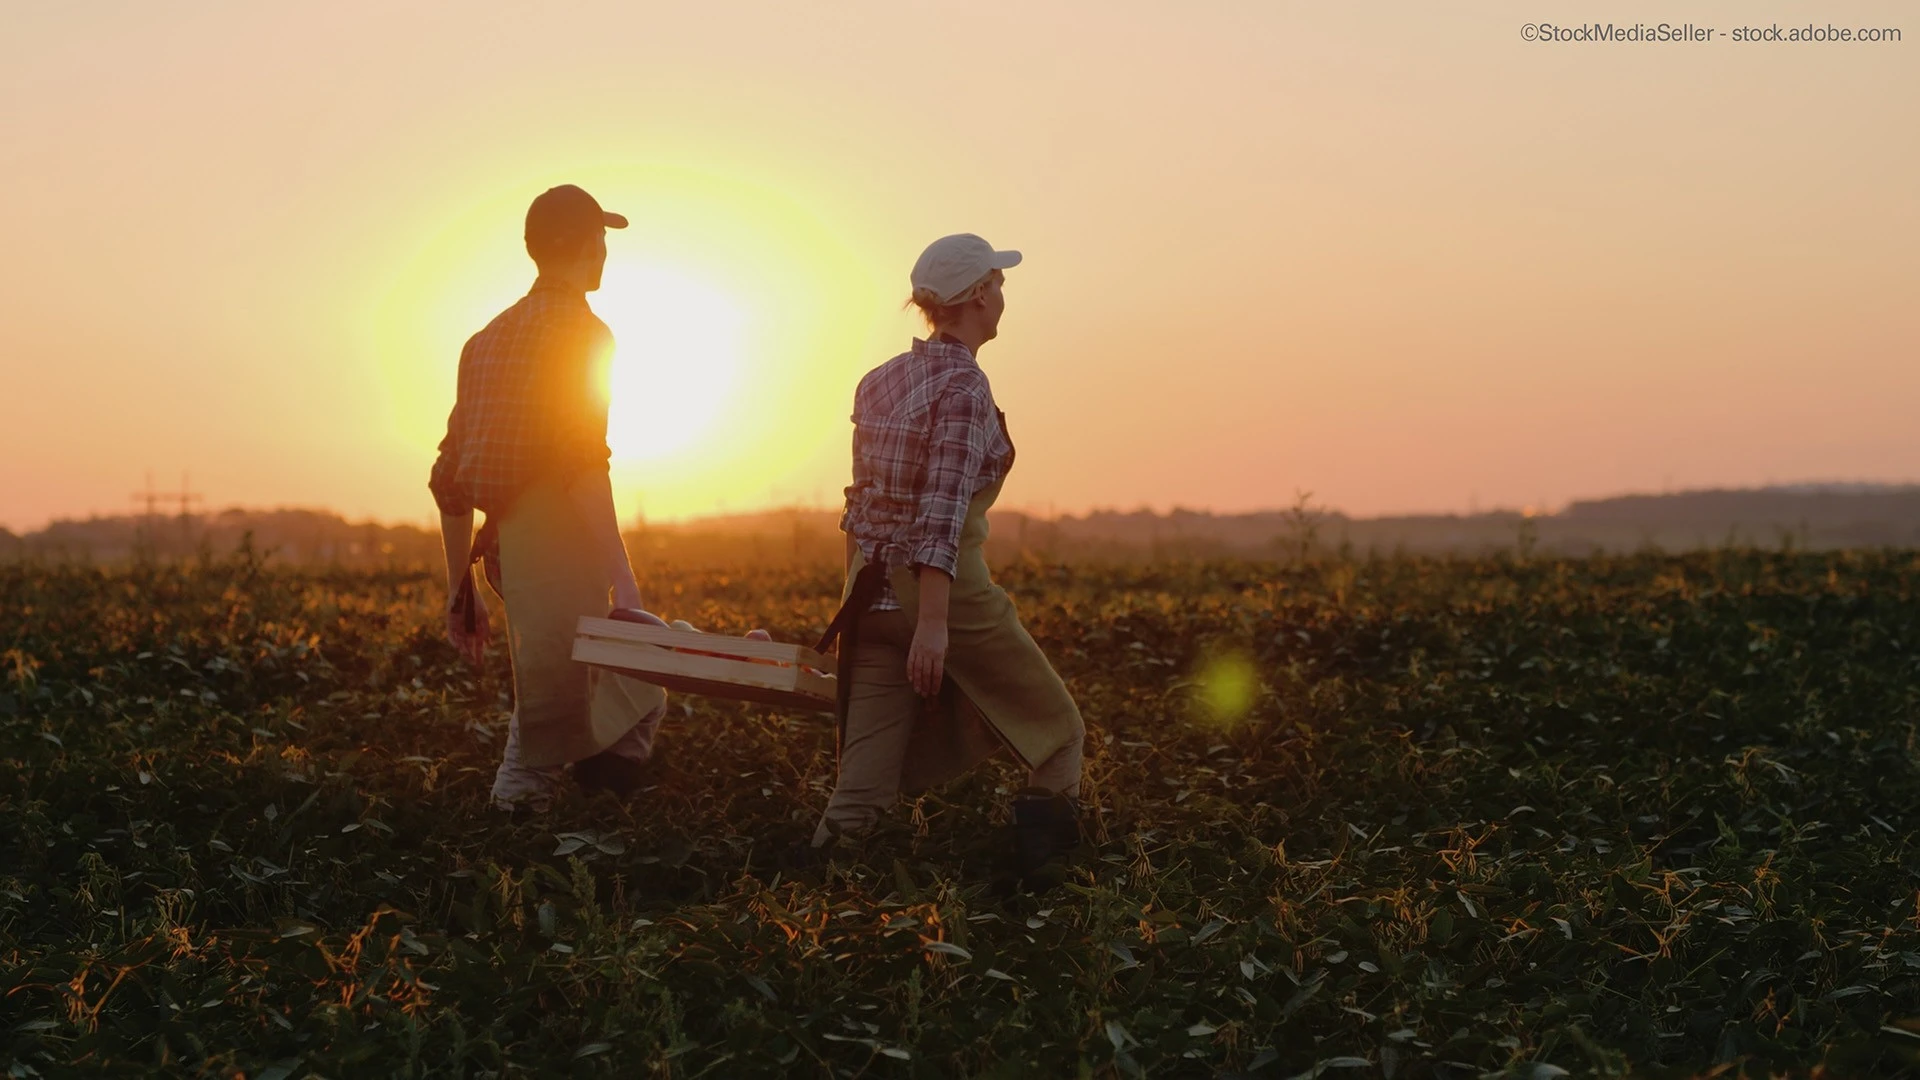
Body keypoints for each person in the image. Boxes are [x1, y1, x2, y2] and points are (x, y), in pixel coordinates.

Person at [809, 233, 1086, 878]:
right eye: (998, 284)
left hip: (868, 601)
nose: (1004, 295)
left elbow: (859, 507)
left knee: (861, 796)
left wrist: (857, 600)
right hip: (945, 597)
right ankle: (1045, 898)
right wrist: (932, 625)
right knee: (1057, 734)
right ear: (978, 298)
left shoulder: (877, 382)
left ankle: (800, 909)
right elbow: (942, 513)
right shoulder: (964, 390)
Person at [428, 183, 669, 812]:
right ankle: (535, 836)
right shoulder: (586, 334)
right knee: (577, 701)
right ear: (584, 245)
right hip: (563, 548)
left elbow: (449, 481)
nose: (606, 252)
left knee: (575, 685)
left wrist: (463, 589)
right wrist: (623, 575)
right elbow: (583, 462)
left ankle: (584, 813)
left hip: (510, 552)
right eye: (602, 239)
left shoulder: (483, 341)